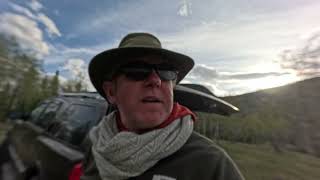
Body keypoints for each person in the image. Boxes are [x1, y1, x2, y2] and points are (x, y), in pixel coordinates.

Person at [80, 32, 245, 180]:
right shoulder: (96, 145)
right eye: (137, 70)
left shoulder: (209, 163)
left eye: (166, 71)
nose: (155, 80)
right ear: (111, 92)